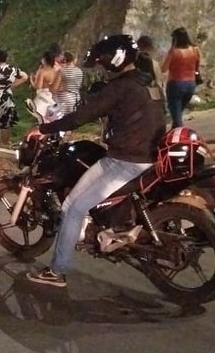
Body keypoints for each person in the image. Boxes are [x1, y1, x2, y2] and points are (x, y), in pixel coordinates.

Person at [26, 35, 166, 288]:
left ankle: (56, 271)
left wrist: (44, 129)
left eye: (102, 64)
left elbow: (81, 116)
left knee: (72, 208)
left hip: (126, 161)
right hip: (152, 157)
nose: (101, 69)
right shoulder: (149, 84)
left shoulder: (120, 87)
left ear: (114, 61)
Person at [161, 27, 202, 128]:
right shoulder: (195, 49)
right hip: (191, 84)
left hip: (176, 84)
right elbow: (200, 63)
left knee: (176, 113)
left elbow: (164, 69)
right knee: (178, 112)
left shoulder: (174, 52)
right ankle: (175, 131)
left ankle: (179, 136)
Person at [27, 51, 61, 121]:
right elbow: (54, 88)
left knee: (38, 116)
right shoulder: (56, 72)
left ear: (45, 60)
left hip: (41, 97)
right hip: (49, 96)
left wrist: (31, 80)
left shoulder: (42, 72)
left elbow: (37, 87)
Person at [53, 51, 85, 116]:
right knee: (69, 120)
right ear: (74, 60)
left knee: (58, 119)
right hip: (75, 97)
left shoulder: (62, 71)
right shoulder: (79, 71)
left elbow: (55, 87)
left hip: (63, 97)